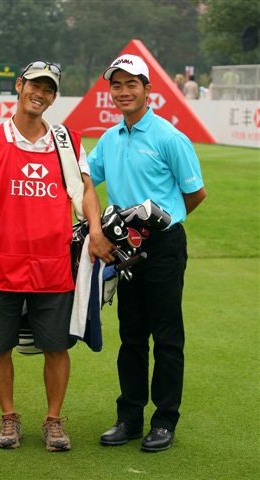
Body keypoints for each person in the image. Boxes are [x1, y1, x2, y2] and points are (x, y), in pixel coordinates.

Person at [0, 60, 113, 452]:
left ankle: (53, 420)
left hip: (53, 265)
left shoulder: (67, 142)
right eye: (35, 85)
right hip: (2, 263)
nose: (40, 93)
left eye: (49, 89)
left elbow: (85, 191)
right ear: (19, 86)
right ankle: (8, 416)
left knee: (57, 346)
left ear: (54, 96)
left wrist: (96, 229)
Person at [87, 54, 206, 452]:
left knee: (167, 336)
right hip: (125, 248)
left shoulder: (169, 138)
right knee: (131, 335)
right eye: (116, 85)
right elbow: (87, 178)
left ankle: (165, 421)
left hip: (164, 246)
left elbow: (195, 193)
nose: (123, 91)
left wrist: (162, 227)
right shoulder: (109, 138)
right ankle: (129, 418)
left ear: (147, 89)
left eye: (131, 84)